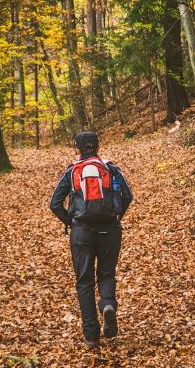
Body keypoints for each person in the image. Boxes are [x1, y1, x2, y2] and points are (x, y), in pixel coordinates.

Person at [48, 131, 133, 349]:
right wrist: (115, 217)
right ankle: (107, 304)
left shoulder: (71, 171)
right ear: (97, 146)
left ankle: (91, 336)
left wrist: (71, 221)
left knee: (84, 281)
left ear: (77, 148)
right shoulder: (111, 168)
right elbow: (127, 195)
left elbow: (55, 203)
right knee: (106, 273)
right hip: (109, 230)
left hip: (82, 231)